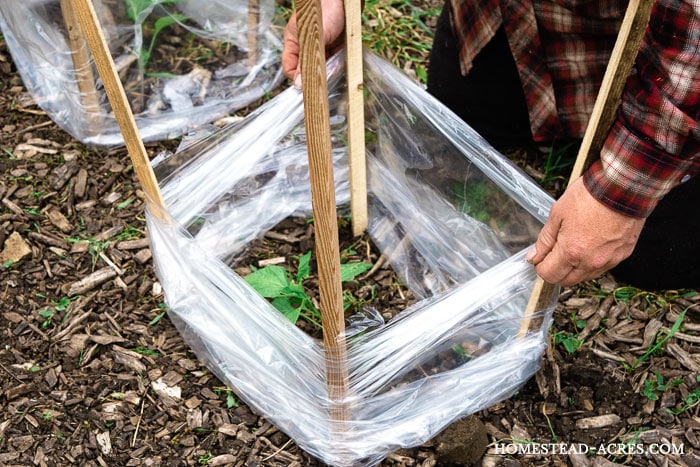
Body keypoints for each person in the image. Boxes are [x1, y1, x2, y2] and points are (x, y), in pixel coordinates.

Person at [281, 0, 699, 291]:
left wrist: (619, 195)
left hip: (657, 37)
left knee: (656, 255)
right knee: (462, 116)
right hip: (506, 13)